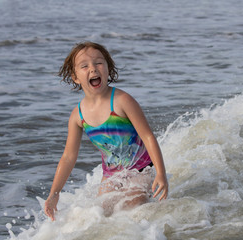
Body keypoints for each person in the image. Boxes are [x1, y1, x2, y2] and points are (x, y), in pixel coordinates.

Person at [44, 42, 168, 221]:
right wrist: (54, 194)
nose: (93, 69)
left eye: (99, 63)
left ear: (108, 69)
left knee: (132, 207)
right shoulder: (77, 116)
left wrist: (161, 174)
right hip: (111, 175)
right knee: (101, 215)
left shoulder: (122, 100)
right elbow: (68, 157)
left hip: (140, 169)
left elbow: (147, 136)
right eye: (84, 66)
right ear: (75, 77)